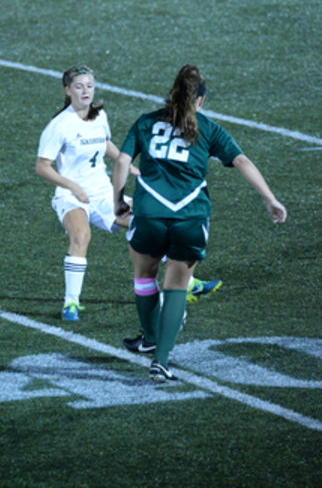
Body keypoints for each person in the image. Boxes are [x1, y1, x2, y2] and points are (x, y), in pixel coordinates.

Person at [112, 64, 287, 382]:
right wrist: (270, 199)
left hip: (150, 212)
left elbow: (123, 161)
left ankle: (149, 339)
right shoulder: (208, 127)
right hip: (190, 216)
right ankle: (161, 362)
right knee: (176, 286)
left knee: (144, 277)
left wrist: (118, 200)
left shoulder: (146, 122)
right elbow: (241, 160)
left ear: (172, 94)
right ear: (201, 100)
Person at [35, 65, 138, 321]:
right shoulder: (59, 126)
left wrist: (128, 165)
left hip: (102, 193)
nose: (85, 91)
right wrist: (73, 186)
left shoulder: (99, 116)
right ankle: (71, 303)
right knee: (81, 235)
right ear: (67, 90)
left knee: (149, 221)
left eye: (89, 86)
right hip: (71, 196)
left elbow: (105, 143)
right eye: (79, 86)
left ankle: (186, 282)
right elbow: (42, 166)